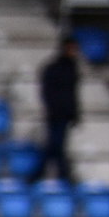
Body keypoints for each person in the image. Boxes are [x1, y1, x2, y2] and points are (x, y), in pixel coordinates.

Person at [33, 35, 82, 184]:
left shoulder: (73, 68)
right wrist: (52, 108)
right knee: (56, 145)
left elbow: (73, 93)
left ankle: (43, 174)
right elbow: (48, 92)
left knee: (56, 145)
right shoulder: (53, 68)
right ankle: (61, 175)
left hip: (65, 114)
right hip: (55, 113)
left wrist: (75, 113)